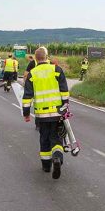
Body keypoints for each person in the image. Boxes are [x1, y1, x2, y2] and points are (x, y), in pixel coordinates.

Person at [22, 47, 70, 179]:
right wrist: (65, 107)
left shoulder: (33, 73)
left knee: (44, 139)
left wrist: (26, 113)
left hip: (41, 116)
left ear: (36, 59)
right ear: (47, 56)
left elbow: (27, 96)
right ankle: (57, 158)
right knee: (57, 138)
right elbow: (64, 91)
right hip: (57, 113)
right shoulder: (56, 70)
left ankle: (46, 165)